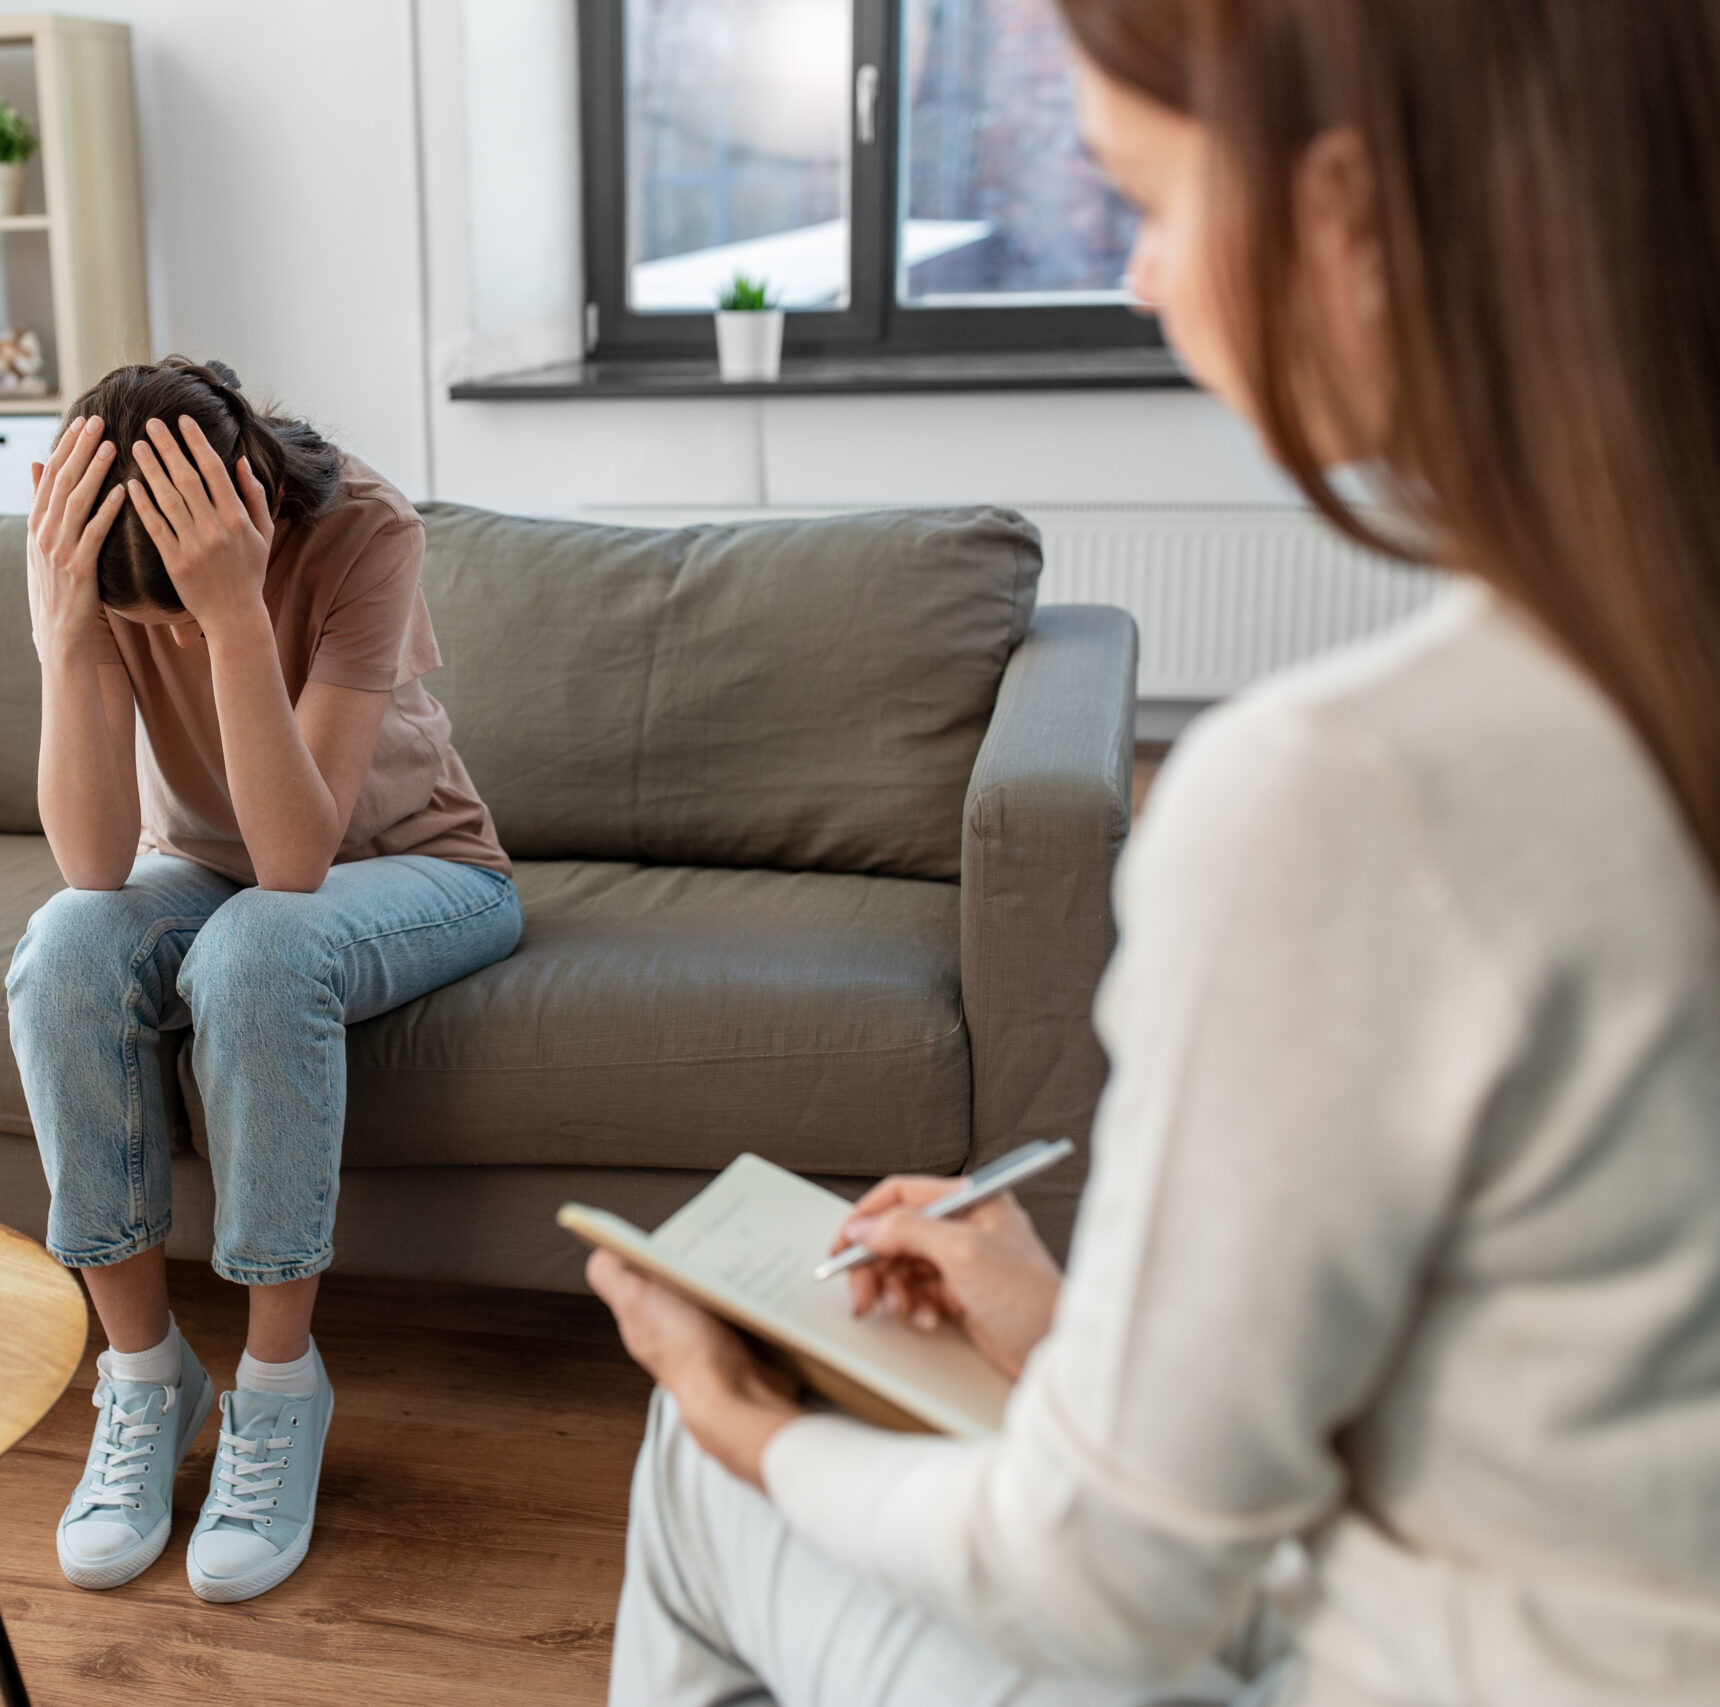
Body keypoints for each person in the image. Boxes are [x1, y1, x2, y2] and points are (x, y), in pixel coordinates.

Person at [586, 1, 1720, 1701]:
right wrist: (1082, 1341)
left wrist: (749, 1418)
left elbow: (1108, 1584)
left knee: (699, 1471)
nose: (1135, 275)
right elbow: (1536, 1383)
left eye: (1148, 200)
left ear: (1344, 209)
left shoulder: (1347, 794)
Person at [7, 357, 521, 1603]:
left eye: (180, 612)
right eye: (159, 626)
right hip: (201, 870)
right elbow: (93, 864)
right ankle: (144, 1373)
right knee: (65, 944)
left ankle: (280, 1388)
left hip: (417, 868)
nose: (175, 638)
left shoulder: (365, 529)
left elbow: (294, 864)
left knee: (257, 945)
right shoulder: (92, 554)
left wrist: (235, 613)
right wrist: (67, 630)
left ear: (251, 505)